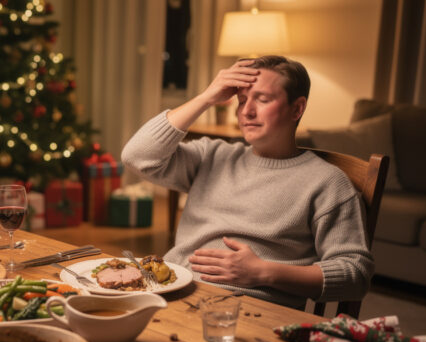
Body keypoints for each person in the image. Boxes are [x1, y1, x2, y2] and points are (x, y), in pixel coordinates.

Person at [121, 55, 373, 309]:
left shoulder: (327, 182)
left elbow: (356, 274)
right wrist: (206, 97)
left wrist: (264, 273)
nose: (247, 111)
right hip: (168, 292)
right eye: (242, 101)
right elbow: (136, 157)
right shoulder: (212, 155)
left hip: (249, 311)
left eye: (263, 99)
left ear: (297, 109)